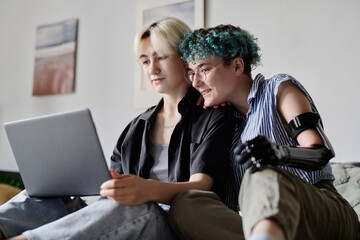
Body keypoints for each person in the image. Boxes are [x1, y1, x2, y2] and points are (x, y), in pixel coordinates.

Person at [0, 17, 235, 240]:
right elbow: (109, 195)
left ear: (185, 59)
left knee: (136, 206)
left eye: (160, 57)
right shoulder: (136, 127)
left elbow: (202, 187)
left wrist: (146, 190)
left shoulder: (214, 116)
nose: (151, 69)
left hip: (172, 225)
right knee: (49, 197)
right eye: (145, 61)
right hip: (129, 216)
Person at [169, 24, 359, 240]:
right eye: (191, 73)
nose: (195, 82)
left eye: (204, 69)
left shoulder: (279, 89)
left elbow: (320, 151)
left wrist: (279, 153)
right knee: (186, 205)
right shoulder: (223, 122)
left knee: (262, 174)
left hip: (319, 207)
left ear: (237, 66)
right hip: (258, 222)